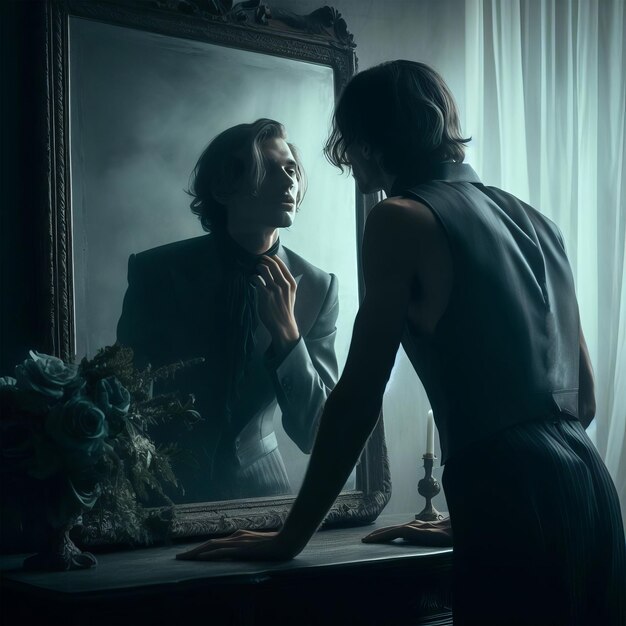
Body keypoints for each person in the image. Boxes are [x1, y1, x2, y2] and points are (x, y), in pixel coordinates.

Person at [176, 62, 626, 625]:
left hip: (502, 492)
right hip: (591, 491)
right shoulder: (537, 221)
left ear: (365, 141)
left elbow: (359, 396)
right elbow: (582, 404)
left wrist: (289, 537)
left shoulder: (399, 217)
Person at [117, 119, 339, 503]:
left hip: (263, 494)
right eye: (269, 169)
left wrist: (288, 336)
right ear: (223, 187)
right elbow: (125, 392)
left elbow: (317, 434)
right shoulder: (157, 272)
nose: (289, 182)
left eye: (291, 169)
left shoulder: (318, 287)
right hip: (159, 491)